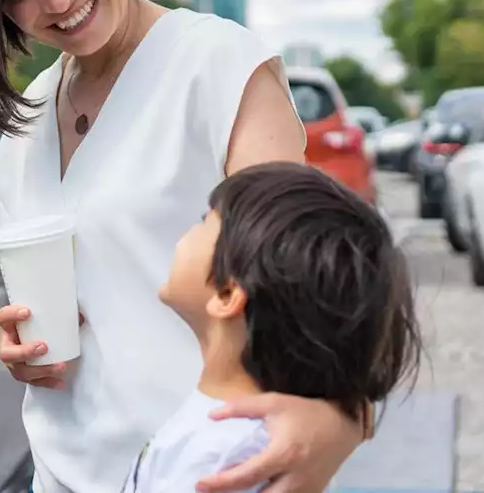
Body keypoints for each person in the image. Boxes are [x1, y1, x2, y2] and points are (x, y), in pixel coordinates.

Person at [0, 0, 371, 493]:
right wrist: (24, 350)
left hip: (202, 470)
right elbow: (83, 305)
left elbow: (311, 282)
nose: (56, 0)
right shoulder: (26, 120)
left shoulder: (215, 66)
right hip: (61, 472)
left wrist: (339, 416)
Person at [120, 161, 422, 492]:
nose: (188, 231)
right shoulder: (237, 435)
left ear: (227, 294)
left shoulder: (225, 458)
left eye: (205, 220)